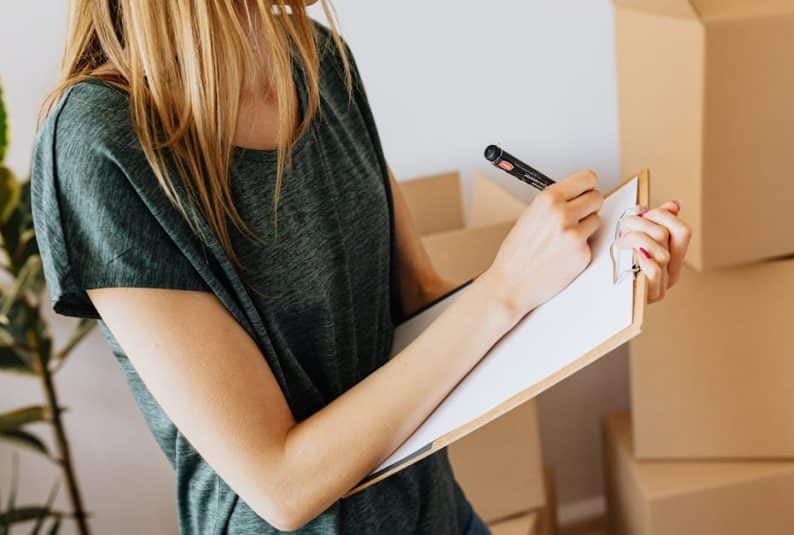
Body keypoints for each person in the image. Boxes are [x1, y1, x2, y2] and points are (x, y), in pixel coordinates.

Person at [30, 1, 691, 533]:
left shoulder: (318, 58)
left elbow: (423, 307)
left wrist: (598, 278)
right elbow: (279, 485)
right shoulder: (100, 144)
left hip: (436, 511)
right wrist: (506, 288)